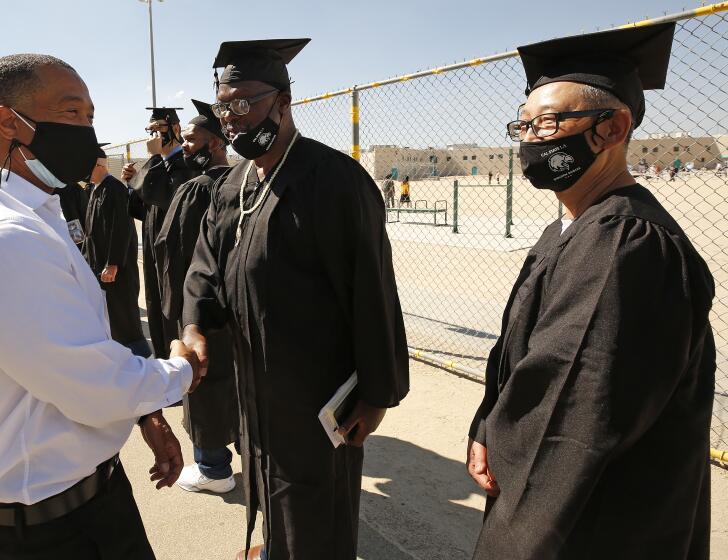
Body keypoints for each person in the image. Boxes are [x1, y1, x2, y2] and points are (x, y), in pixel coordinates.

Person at [0, 53, 205, 560]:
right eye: (71, 113)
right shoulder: (2, 238)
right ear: (8, 122)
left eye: (91, 116)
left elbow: (71, 352)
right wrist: (181, 371)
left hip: (77, 498)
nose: (87, 131)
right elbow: (93, 387)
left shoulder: (28, 213)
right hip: (51, 531)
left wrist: (144, 415)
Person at [469, 24, 714, 559]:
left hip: (595, 521)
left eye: (551, 122)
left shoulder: (628, 245)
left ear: (612, 128)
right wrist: (488, 424)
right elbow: (523, 357)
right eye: (525, 125)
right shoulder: (570, 229)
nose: (534, 139)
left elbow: (573, 414)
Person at [182, 38, 409, 560]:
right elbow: (205, 267)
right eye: (224, 107)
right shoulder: (233, 184)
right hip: (256, 383)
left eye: (244, 104)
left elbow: (372, 291)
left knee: (314, 505)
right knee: (266, 483)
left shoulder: (334, 181)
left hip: (317, 392)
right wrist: (194, 325)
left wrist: (376, 394)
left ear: (283, 101)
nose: (233, 118)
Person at [154, 99, 239, 494]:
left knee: (204, 383)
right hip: (240, 312)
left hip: (202, 313)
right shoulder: (247, 180)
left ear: (216, 142)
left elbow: (174, 252)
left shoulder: (198, 189)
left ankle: (212, 468)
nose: (184, 146)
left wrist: (179, 312)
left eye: (191, 139)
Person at [123, 107, 196, 359]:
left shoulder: (185, 164)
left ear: (175, 129)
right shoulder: (159, 165)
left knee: (171, 308)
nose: (153, 136)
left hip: (176, 253)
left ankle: (180, 364)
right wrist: (132, 185)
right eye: (150, 130)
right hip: (155, 248)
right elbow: (142, 210)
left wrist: (153, 160)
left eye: (158, 129)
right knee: (154, 305)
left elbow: (167, 198)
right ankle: (164, 362)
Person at [82, 146, 150, 357]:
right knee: (110, 316)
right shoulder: (96, 189)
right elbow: (91, 232)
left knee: (123, 317)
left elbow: (122, 230)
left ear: (99, 166)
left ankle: (140, 360)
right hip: (99, 266)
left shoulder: (114, 190)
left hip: (116, 269)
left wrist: (113, 263)